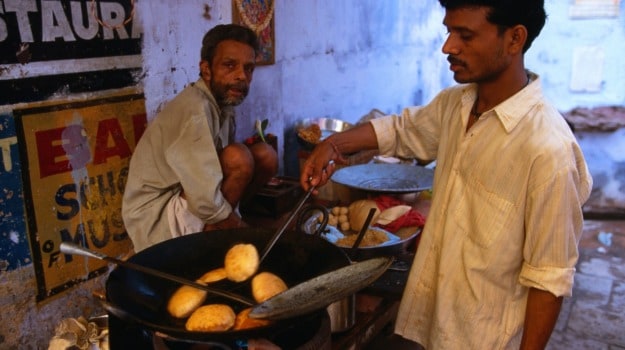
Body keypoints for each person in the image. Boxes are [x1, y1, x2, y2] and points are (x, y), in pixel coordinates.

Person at [300, 1, 593, 349]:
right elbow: (403, 129)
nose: (448, 47)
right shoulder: (457, 104)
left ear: (514, 39)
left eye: (465, 35)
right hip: (427, 324)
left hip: (481, 339)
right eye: (449, 31)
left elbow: (549, 279)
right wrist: (334, 144)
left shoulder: (548, 150)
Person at [123, 24, 278, 252]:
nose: (241, 76)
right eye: (229, 65)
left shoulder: (223, 103)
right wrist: (247, 236)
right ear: (206, 70)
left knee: (266, 155)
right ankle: (213, 242)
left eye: (248, 68)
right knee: (238, 158)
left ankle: (221, 228)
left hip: (190, 195)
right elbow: (205, 197)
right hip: (156, 218)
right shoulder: (196, 109)